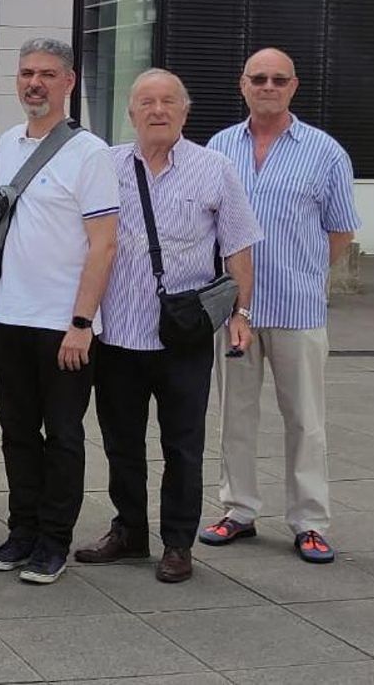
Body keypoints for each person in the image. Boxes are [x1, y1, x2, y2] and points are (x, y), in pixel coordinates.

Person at [75, 69, 261, 583]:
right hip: (117, 334)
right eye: (146, 102)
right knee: (121, 443)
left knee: (183, 446)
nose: (157, 111)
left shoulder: (214, 169)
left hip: (183, 336)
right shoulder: (105, 165)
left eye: (168, 102)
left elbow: (239, 246)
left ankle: (178, 543)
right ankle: (129, 531)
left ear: (185, 110)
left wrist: (241, 314)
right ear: (131, 112)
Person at [200, 48, 361, 564]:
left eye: (278, 79)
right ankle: (238, 510)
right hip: (234, 312)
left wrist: (305, 272)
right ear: (242, 85)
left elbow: (341, 231)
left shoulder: (325, 152)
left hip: (297, 309)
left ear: (294, 87)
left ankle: (310, 521)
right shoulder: (220, 147)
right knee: (235, 416)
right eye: (258, 78)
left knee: (305, 420)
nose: (268, 86)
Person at [0, 37, 119, 585]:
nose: (34, 83)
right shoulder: (7, 144)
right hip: (7, 316)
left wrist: (82, 323)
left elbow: (104, 244)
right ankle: (21, 532)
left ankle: (53, 541)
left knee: (62, 435)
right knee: (16, 433)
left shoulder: (90, 153)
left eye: (46, 74)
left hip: (64, 324)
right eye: (26, 73)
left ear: (69, 81)